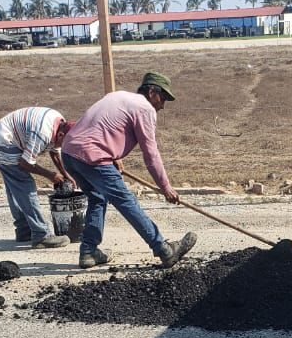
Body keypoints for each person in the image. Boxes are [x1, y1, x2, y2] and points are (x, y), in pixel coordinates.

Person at [60, 71, 197, 269]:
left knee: (97, 198)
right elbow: (150, 154)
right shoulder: (144, 108)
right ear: (151, 92)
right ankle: (164, 250)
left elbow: (100, 127)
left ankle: (88, 252)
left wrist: (113, 156)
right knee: (126, 201)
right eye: (163, 98)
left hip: (69, 153)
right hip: (93, 157)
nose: (162, 105)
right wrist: (165, 186)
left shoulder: (117, 96)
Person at [0, 106, 74, 248]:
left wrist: (66, 174)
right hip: (4, 142)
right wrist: (51, 175)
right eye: (66, 143)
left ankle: (24, 229)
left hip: (3, 136)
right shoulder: (43, 133)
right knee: (25, 185)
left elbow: (55, 152)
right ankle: (41, 235)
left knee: (15, 188)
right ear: (61, 135)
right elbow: (25, 163)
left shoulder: (59, 123)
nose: (66, 147)